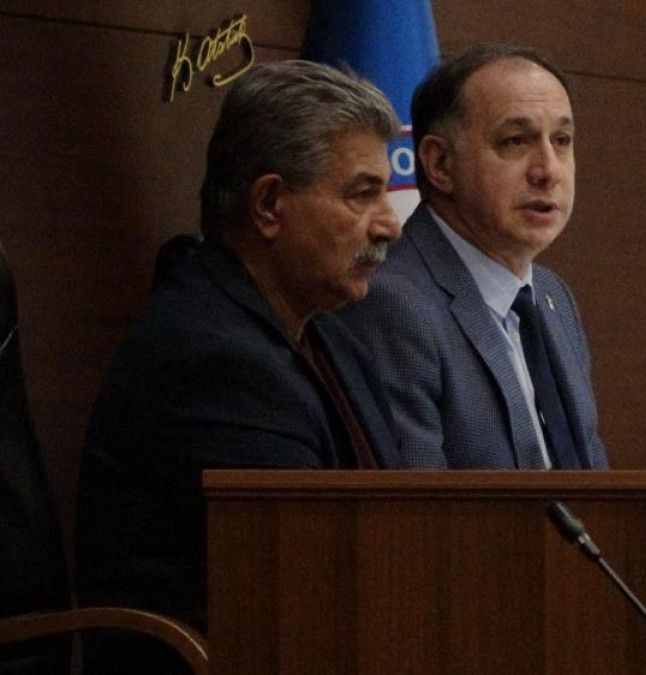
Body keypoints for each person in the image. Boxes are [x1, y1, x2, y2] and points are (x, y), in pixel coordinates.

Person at [74, 60, 437, 673]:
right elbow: (304, 591)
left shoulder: (327, 332)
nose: (391, 226)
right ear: (270, 204)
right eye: (362, 194)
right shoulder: (214, 361)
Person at [340, 45, 608, 470]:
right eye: (515, 141)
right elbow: (420, 504)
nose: (548, 170)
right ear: (439, 164)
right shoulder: (393, 305)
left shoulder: (553, 297)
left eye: (561, 140)